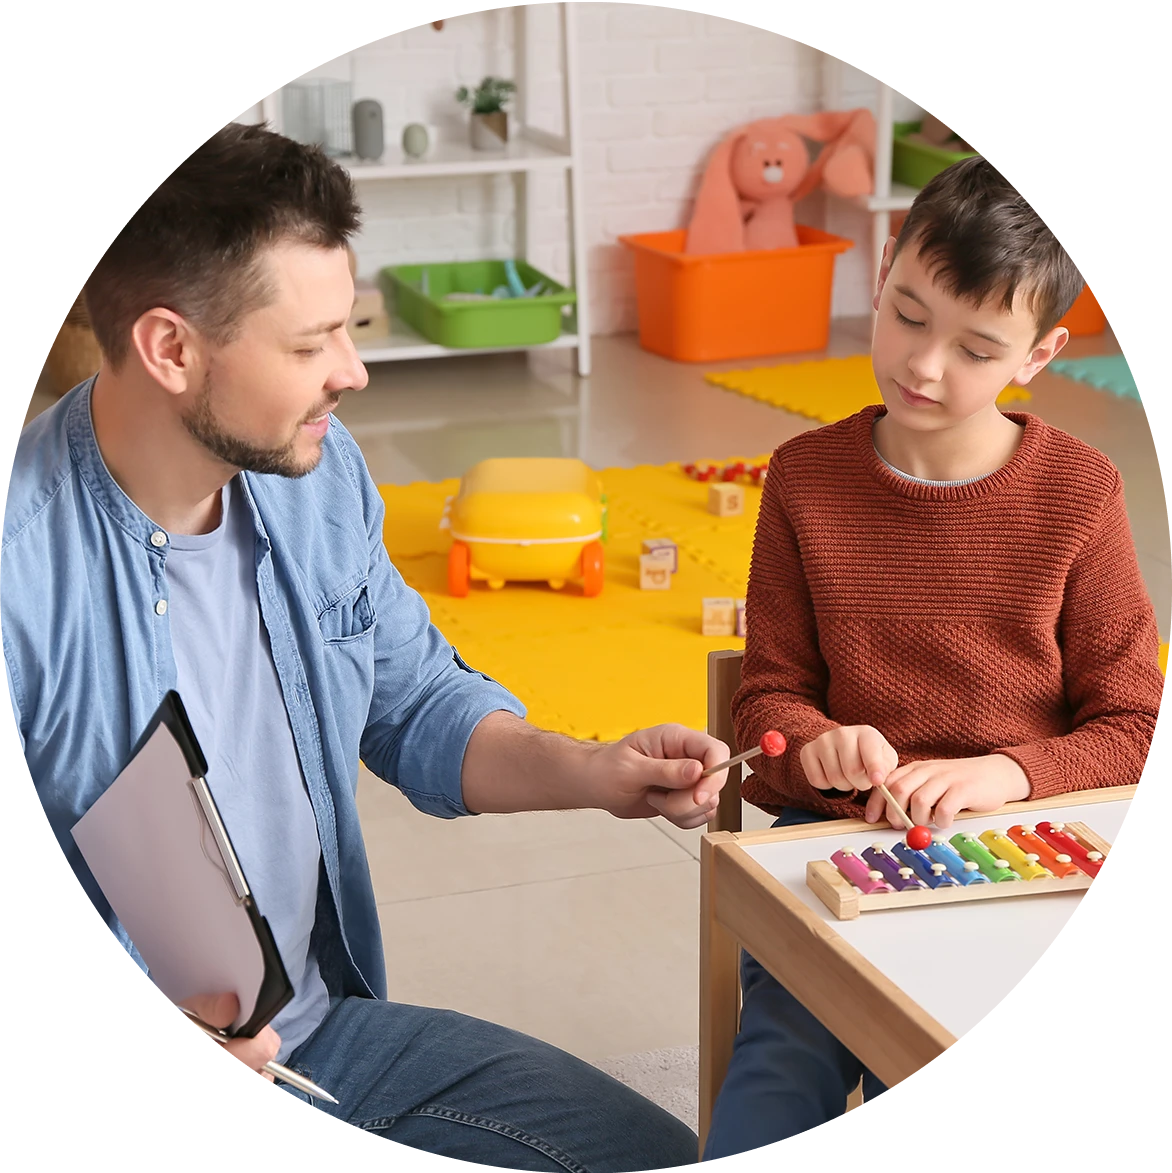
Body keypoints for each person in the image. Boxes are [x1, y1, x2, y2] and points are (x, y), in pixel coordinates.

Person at [0, 121, 733, 1172]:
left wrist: (591, 769)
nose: (354, 372)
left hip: (325, 1045)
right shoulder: (19, 579)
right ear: (170, 348)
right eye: (311, 344)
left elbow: (417, 701)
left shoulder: (315, 477)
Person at [700, 155, 1169, 1170]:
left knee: (1036, 1106)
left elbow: (1136, 726)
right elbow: (767, 702)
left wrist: (999, 773)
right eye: (907, 315)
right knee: (774, 1091)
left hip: (1031, 865)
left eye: (974, 347)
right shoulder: (802, 478)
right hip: (837, 863)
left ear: (1036, 355)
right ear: (879, 273)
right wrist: (816, 746)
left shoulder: (1079, 493)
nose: (923, 365)